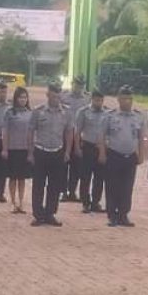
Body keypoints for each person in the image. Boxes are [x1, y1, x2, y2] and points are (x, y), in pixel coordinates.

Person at [98, 85, 145, 227]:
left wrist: (141, 155)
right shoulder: (110, 115)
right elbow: (101, 136)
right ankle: (112, 215)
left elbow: (141, 137)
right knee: (112, 186)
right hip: (113, 154)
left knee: (127, 187)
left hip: (130, 156)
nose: (127, 102)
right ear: (118, 99)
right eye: (124, 98)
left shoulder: (138, 116)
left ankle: (123, 214)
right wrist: (102, 153)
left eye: (129, 99)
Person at [27, 83, 73, 227]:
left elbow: (69, 132)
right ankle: (38, 215)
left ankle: (50, 213)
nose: (55, 99)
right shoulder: (38, 111)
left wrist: (67, 152)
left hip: (57, 152)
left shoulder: (66, 112)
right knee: (38, 185)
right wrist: (30, 153)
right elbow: (30, 132)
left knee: (54, 186)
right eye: (53, 96)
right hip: (41, 151)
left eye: (58, 96)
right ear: (47, 95)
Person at [75, 89, 108, 213]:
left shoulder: (107, 113)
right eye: (96, 100)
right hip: (87, 147)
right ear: (92, 99)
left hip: (101, 148)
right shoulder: (83, 112)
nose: (99, 103)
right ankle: (85, 202)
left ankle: (95, 202)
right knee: (85, 176)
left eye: (101, 100)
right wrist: (77, 147)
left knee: (99, 177)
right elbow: (77, 131)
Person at [1, 87, 33, 214]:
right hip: (12, 149)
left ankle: (21, 202)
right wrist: (4, 149)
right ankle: (13, 202)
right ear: (16, 98)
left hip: (25, 149)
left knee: (22, 178)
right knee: (13, 177)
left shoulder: (30, 113)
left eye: (25, 97)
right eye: (20, 97)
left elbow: (33, 132)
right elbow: (5, 131)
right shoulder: (9, 112)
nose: (23, 100)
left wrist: (31, 151)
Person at [61, 74, 91, 202]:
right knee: (63, 166)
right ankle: (63, 192)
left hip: (79, 136)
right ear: (72, 84)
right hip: (65, 134)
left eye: (81, 85)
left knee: (77, 166)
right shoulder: (64, 97)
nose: (78, 87)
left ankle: (72, 191)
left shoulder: (87, 99)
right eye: (76, 84)